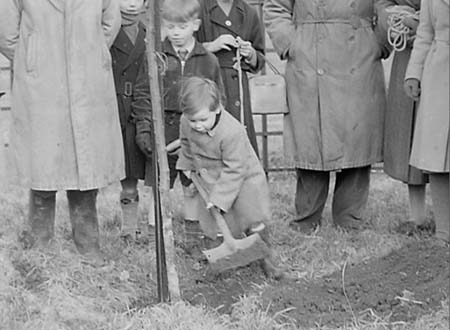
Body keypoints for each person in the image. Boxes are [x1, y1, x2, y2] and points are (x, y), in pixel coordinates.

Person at [0, 0, 124, 259]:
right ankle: (39, 246)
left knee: (84, 160)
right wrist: (31, 56)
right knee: (42, 163)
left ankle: (88, 243)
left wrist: (90, 51)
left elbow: (110, 22)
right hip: (42, 81)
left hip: (87, 77)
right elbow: (7, 31)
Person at [264, 0, 388, 233]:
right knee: (311, 141)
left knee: (357, 140)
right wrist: (291, 43)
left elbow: (385, 4)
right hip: (309, 57)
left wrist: (379, 42)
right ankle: (307, 218)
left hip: (359, 56)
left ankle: (349, 219)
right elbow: (275, 7)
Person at [176, 76, 283, 278]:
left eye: (202, 120)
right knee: (215, 223)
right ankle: (224, 263)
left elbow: (235, 168)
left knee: (251, 217)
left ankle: (267, 261)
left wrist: (219, 199)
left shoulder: (231, 131)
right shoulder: (186, 122)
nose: (197, 126)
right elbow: (186, 144)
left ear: (217, 109)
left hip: (243, 178)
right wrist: (187, 166)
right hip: (210, 176)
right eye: (193, 121)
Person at [377, 0, 433, 235]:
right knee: (408, 133)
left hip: (442, 49)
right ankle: (417, 215)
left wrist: (423, 20)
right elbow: (382, 3)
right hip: (408, 56)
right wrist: (395, 17)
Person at [404, 0, 449, 244]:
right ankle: (444, 231)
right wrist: (414, 73)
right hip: (439, 72)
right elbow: (425, 32)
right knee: (438, 154)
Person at [196, 0, 265, 155]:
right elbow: (183, 49)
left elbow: (260, 57)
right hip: (207, 84)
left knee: (239, 142)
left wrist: (250, 53)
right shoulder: (199, 8)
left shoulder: (248, 12)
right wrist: (211, 46)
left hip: (237, 87)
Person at [111, 0, 154, 242]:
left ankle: (150, 226)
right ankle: (128, 228)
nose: (131, 5)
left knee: (140, 167)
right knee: (123, 172)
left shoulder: (150, 34)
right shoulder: (105, 31)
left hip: (141, 109)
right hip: (113, 107)